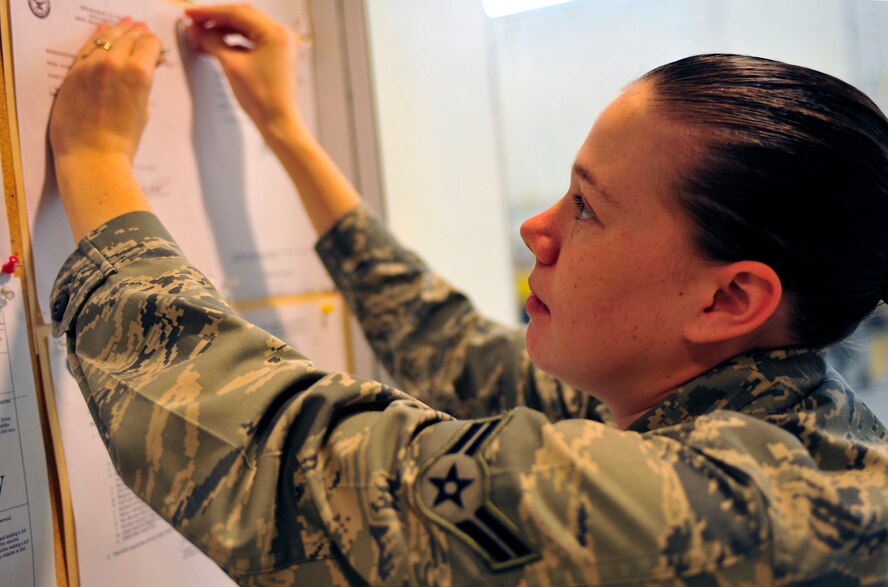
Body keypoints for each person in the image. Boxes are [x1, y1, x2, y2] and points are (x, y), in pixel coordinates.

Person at [47, 4, 888, 586]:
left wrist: (94, 162)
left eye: (588, 206)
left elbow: (285, 458)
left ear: (728, 298)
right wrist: (286, 131)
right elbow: (449, 346)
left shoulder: (717, 511)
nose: (537, 226)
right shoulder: (765, 406)